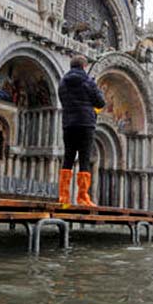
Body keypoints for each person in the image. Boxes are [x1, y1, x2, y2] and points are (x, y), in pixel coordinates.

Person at [57, 55, 105, 206]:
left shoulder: (63, 82)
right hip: (85, 123)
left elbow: (63, 99)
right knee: (84, 159)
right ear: (84, 66)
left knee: (68, 158)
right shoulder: (88, 81)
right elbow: (100, 102)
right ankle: (82, 197)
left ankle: (63, 197)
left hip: (68, 124)